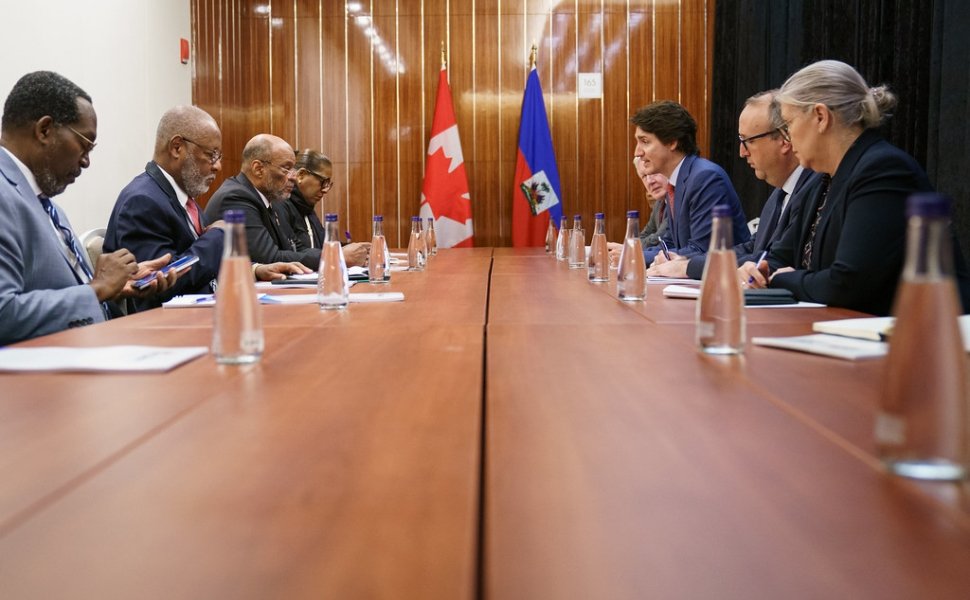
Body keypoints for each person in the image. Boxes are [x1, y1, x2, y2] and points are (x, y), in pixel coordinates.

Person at [740, 60, 970, 315]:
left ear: (820, 117)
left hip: (923, 329)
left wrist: (783, 280)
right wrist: (758, 272)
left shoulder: (883, 170)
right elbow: (781, 256)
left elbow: (848, 282)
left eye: (788, 125)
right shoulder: (820, 180)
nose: (787, 137)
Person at [0, 71, 177, 345]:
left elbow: (60, 291)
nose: (86, 162)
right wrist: (97, 290)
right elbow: (4, 312)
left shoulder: (46, 205)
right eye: (84, 145)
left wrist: (117, 286)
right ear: (44, 130)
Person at [104, 107, 310, 311]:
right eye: (212, 155)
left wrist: (255, 270)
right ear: (177, 147)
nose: (218, 166)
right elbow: (157, 286)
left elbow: (197, 262)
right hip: (168, 324)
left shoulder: (181, 198)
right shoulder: (143, 201)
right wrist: (218, 235)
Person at [649, 90, 822, 279]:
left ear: (784, 139)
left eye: (749, 141)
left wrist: (688, 267)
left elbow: (772, 260)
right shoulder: (779, 193)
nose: (742, 152)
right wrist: (685, 261)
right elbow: (752, 247)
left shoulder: (813, 188)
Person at [631, 100, 749, 266]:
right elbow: (669, 244)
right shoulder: (676, 183)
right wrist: (631, 255)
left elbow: (702, 250)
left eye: (645, 141)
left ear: (672, 142)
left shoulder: (705, 178)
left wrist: (633, 257)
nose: (637, 152)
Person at [203, 134, 322, 270]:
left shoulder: (272, 199)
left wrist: (334, 253)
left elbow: (296, 247)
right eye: (286, 169)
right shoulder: (236, 198)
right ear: (258, 169)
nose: (294, 178)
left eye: (293, 169)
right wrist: (329, 257)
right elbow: (268, 259)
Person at [276, 149, 369, 266]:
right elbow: (295, 253)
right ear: (301, 175)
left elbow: (323, 245)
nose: (325, 190)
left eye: (328, 184)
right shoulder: (281, 205)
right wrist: (341, 255)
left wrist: (357, 251)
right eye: (323, 182)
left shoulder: (307, 208)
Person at [608, 157, 669, 261]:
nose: (650, 181)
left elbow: (659, 238)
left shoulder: (676, 199)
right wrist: (630, 249)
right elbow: (644, 235)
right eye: (644, 176)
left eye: (654, 173)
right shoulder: (659, 203)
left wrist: (630, 250)